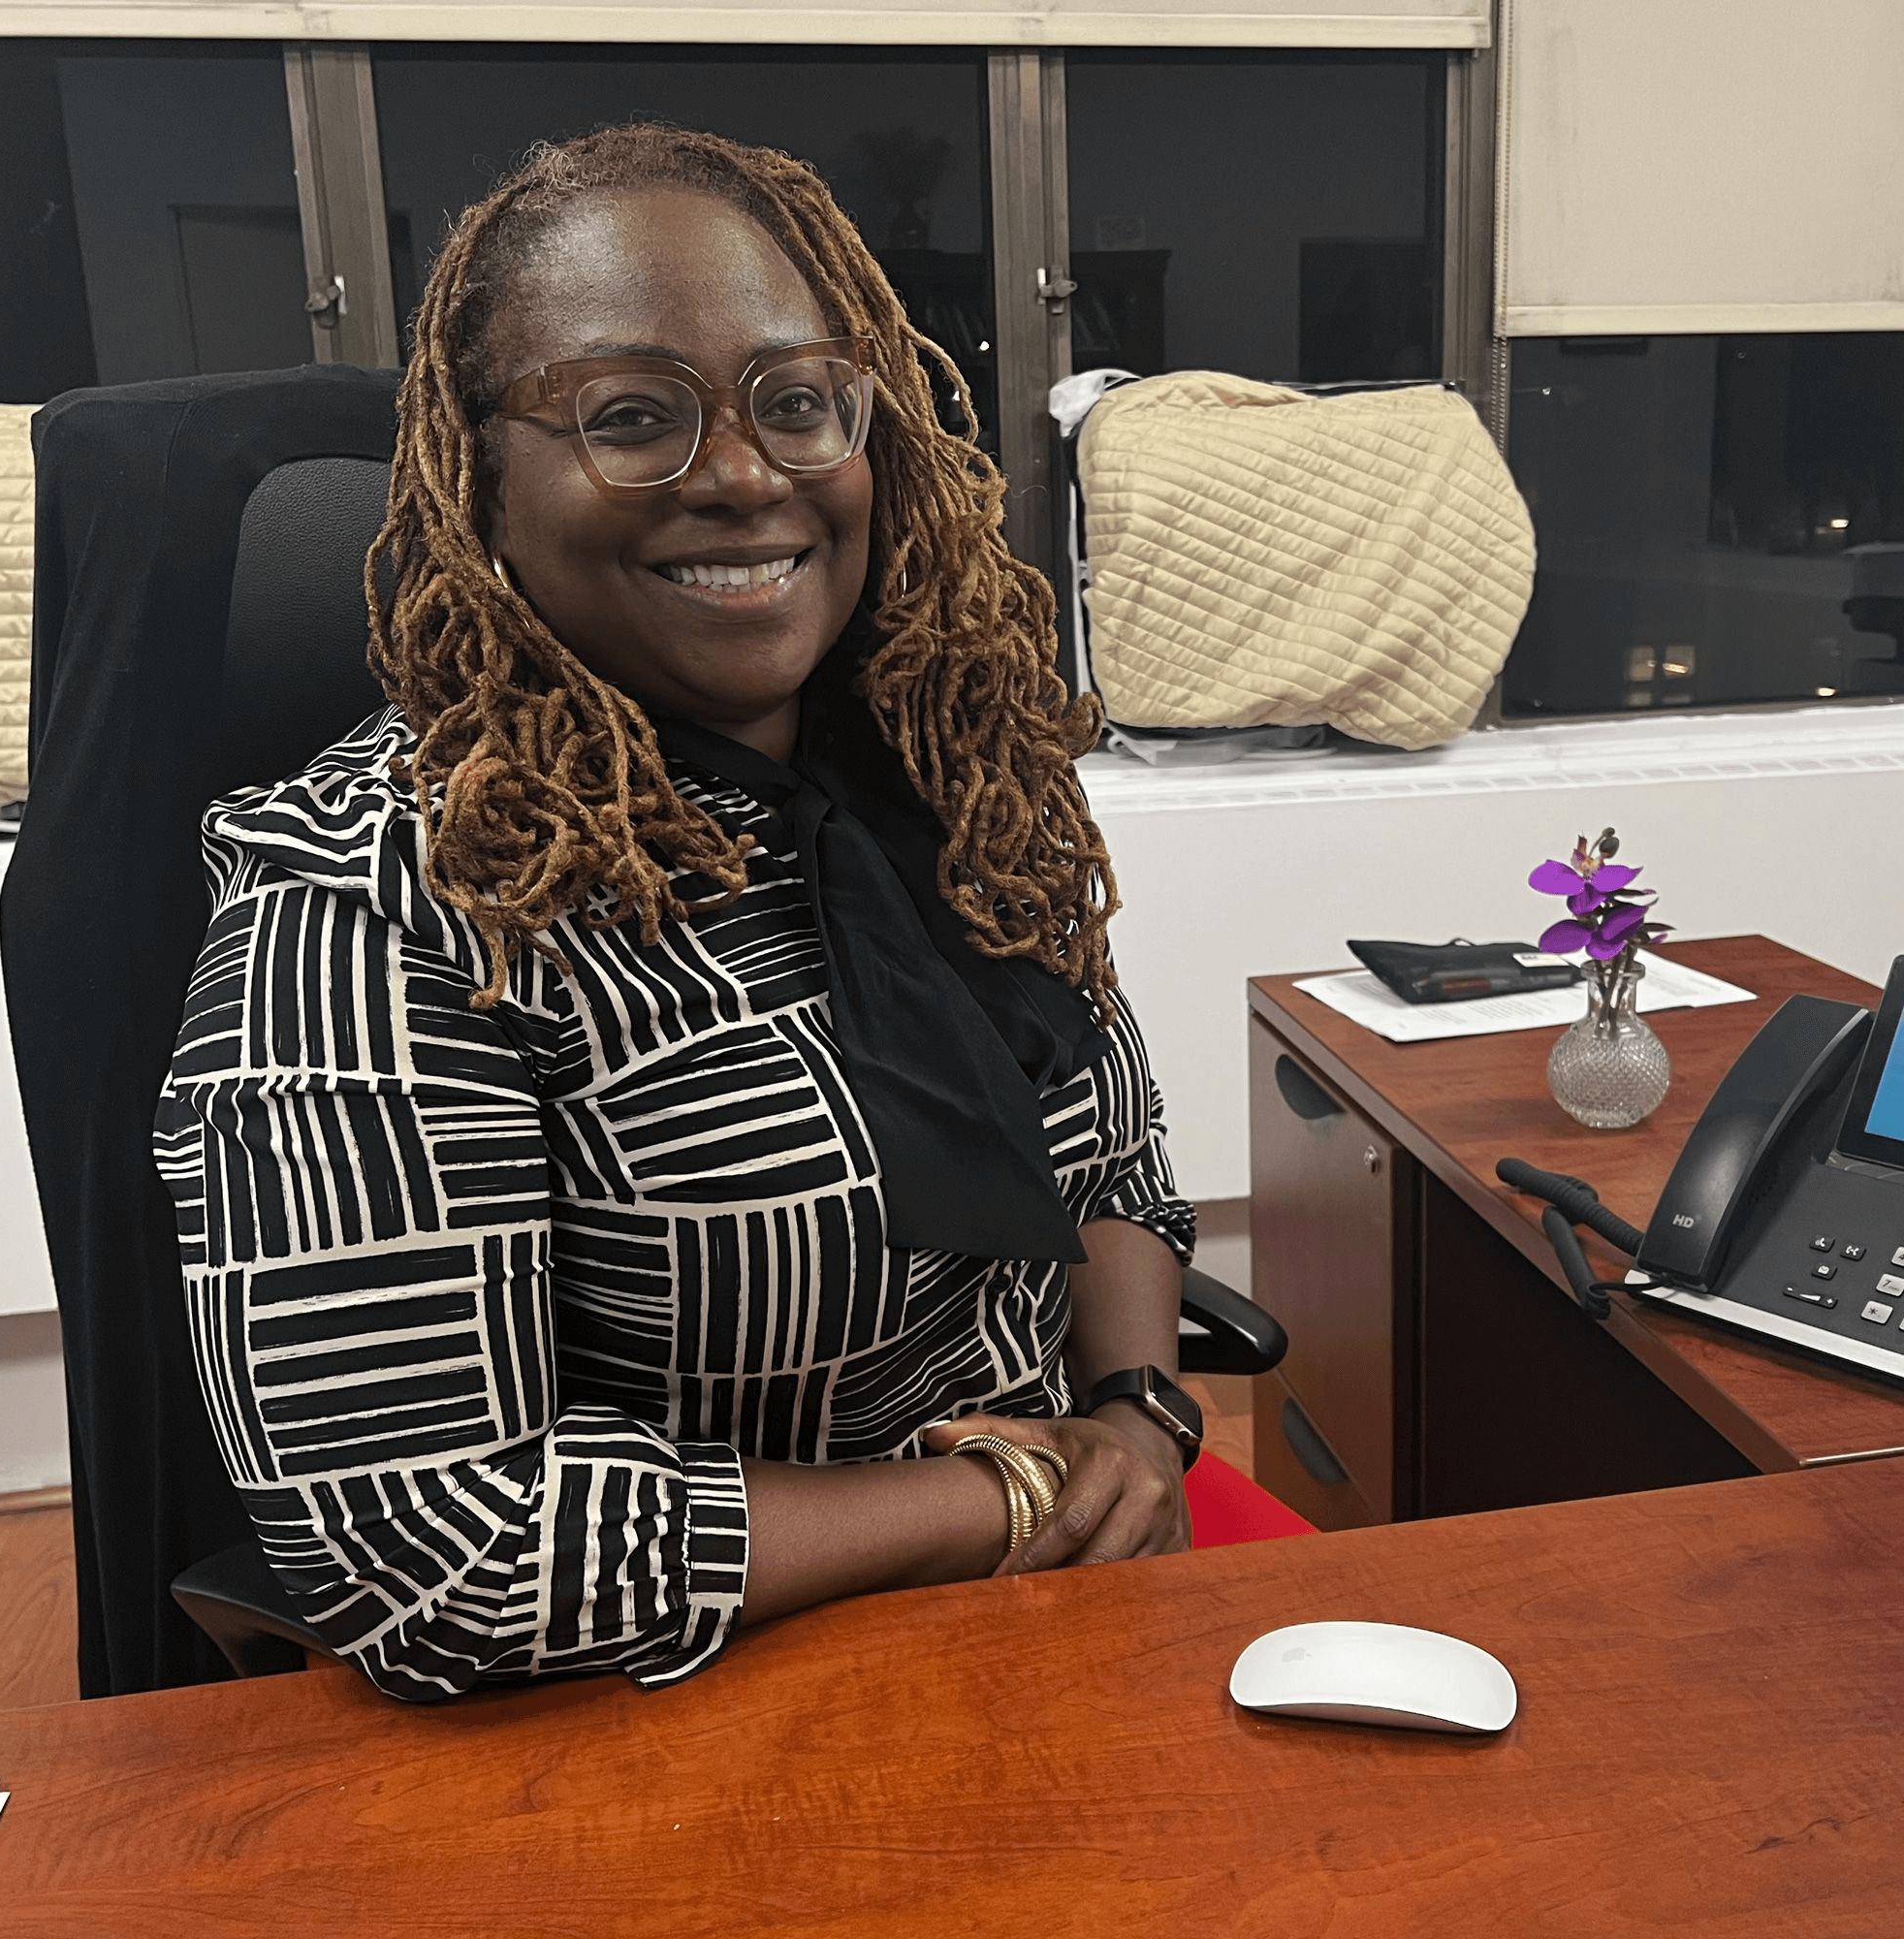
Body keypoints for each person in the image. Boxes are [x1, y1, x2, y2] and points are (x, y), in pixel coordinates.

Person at [152, 124, 1211, 1701]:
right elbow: (436, 1553)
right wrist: (998, 1498)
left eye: (798, 403)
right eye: (632, 417)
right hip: (666, 1700)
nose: (741, 472)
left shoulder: (947, 780)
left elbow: (1114, 1154)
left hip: (1062, 1593)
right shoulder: (379, 904)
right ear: (478, 475)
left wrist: (1135, 1412)